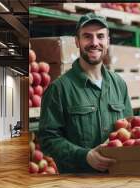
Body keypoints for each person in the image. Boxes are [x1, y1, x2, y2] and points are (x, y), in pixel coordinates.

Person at [38, 13, 133, 174]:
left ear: (108, 42)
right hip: (78, 185)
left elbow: (130, 128)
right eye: (87, 36)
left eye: (100, 36)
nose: (94, 43)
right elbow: (48, 139)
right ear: (77, 41)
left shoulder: (119, 85)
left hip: (118, 178)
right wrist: (84, 156)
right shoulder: (59, 89)